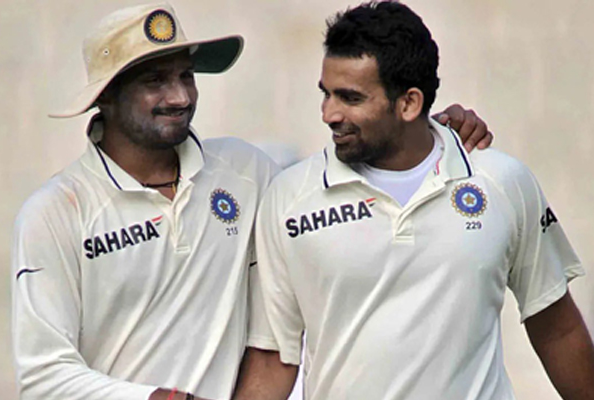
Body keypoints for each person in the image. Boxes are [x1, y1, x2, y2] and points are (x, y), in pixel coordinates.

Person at [11, 2, 492, 400]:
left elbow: (355, 171)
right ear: (106, 97)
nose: (180, 97)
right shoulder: (56, 212)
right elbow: (42, 375)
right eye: (154, 82)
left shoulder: (247, 173)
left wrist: (426, 131)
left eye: (186, 76)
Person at [237, 2, 594, 400]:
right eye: (326, 94)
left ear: (409, 103)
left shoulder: (502, 181)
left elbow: (557, 327)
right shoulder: (290, 197)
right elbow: (273, 359)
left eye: (350, 98)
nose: (329, 114)